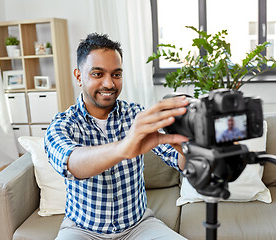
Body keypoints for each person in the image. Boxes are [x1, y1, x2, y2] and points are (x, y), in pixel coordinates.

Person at [44, 33, 189, 240]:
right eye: (97, 74)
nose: (109, 84)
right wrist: (124, 147)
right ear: (78, 76)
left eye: (116, 74)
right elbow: (72, 163)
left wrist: (187, 146)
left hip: (139, 226)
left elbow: (181, 162)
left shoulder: (136, 115)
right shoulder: (62, 124)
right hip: (81, 230)